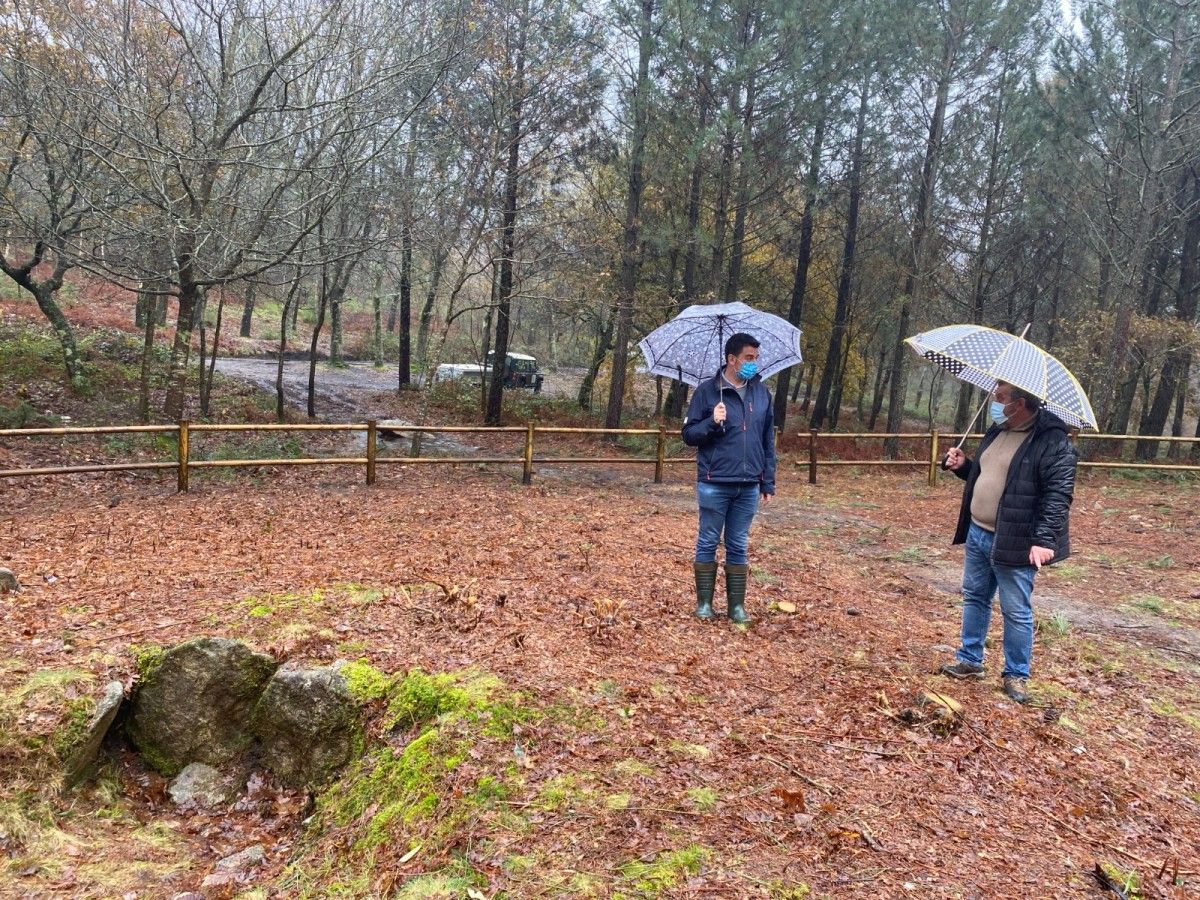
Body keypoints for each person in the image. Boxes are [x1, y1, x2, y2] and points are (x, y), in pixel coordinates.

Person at [940, 380, 1078, 703]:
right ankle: (970, 659)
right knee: (975, 596)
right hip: (978, 531)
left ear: (1020, 403)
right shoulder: (998, 428)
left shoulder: (1052, 440)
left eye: (1000, 397)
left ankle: (1016, 674)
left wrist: (1045, 540)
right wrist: (964, 468)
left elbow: (1058, 496)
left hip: (1017, 541)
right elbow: (991, 475)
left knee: (1016, 611)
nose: (995, 401)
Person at [682, 332, 776, 624]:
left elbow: (766, 439)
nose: (753, 364)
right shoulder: (707, 392)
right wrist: (712, 421)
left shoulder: (762, 393)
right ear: (731, 359)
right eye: (749, 358)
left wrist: (767, 479)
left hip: (748, 484)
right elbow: (689, 436)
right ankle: (704, 605)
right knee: (708, 540)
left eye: (756, 358)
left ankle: (736, 607)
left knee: (738, 543)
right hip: (714, 481)